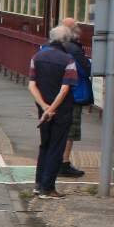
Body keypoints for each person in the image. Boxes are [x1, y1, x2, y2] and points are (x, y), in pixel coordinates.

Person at [27, 25, 79, 198]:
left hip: (43, 109)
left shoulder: (37, 56)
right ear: (66, 41)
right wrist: (52, 109)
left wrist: (44, 107)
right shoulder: (68, 60)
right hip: (61, 110)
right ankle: (47, 188)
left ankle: (38, 184)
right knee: (56, 147)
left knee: (44, 145)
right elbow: (65, 89)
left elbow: (31, 85)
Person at [58, 17, 90, 178]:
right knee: (70, 131)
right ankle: (63, 163)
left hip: (54, 93)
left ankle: (55, 162)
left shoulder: (53, 46)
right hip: (73, 94)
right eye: (77, 26)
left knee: (56, 129)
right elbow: (86, 70)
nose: (80, 29)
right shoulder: (74, 49)